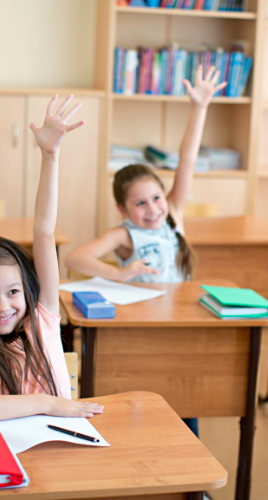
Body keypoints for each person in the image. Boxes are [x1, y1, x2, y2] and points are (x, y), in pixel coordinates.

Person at [65, 66, 226, 437]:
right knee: (150, 394)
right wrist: (120, 273)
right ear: (123, 209)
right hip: (145, 325)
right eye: (140, 203)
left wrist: (199, 108)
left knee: (188, 394)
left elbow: (186, 160)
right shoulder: (125, 234)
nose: (153, 208)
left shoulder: (173, 215)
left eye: (156, 197)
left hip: (185, 320)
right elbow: (75, 258)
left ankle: (190, 475)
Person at [0, 95, 104, 423]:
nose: (3, 306)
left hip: (62, 448)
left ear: (28, 290)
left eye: (13, 292)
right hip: (4, 454)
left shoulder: (44, 317)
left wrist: (50, 156)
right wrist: (45, 403)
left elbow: (44, 232)